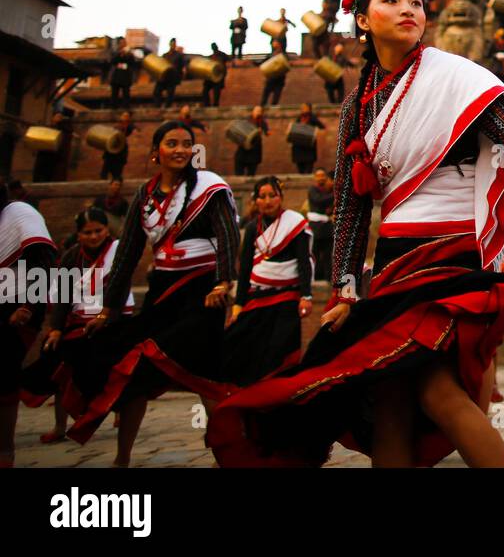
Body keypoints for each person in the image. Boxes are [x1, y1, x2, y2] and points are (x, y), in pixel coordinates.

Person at [209, 0, 504, 468]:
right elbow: (351, 204)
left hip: (454, 253)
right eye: (392, 0)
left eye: (415, 1)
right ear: (363, 20)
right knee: (389, 395)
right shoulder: (357, 104)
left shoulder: (457, 77)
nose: (408, 9)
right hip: (395, 259)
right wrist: (345, 287)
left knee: (437, 391)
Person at [67, 121, 239, 464]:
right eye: (172, 143)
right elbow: (128, 254)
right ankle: (123, 457)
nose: (180, 149)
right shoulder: (144, 196)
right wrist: (108, 309)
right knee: (133, 369)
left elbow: (227, 236)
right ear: (154, 152)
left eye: (186, 144)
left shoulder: (209, 187)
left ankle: (229, 453)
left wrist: (223, 282)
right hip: (164, 290)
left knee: (206, 374)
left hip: (203, 290)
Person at [20, 207, 134, 445]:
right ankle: (60, 425)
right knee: (56, 357)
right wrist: (57, 328)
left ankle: (119, 410)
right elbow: (63, 295)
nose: (93, 237)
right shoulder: (72, 257)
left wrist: (104, 318)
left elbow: (119, 288)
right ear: (79, 234)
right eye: (87, 232)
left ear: (107, 230)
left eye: (98, 231)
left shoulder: (118, 251)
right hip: (79, 322)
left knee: (105, 361)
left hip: (113, 318)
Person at [221, 177, 313, 387]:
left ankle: (277, 396)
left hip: (287, 297)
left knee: (278, 351)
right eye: (262, 196)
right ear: (255, 201)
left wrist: (306, 296)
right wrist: (238, 306)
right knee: (241, 345)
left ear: (280, 198)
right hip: (258, 296)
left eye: (272, 195)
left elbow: (303, 262)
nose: (268, 201)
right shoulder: (253, 227)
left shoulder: (294, 223)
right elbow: (245, 269)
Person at [1, 186, 56, 466]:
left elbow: (45, 262)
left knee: (4, 378)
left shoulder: (19, 213)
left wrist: (28, 307)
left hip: (18, 307)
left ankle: (5, 450)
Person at [305, 168, 334, 282]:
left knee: (327, 254)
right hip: (315, 226)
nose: (321, 178)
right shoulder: (313, 190)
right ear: (315, 178)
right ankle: (315, 276)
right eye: (319, 175)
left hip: (327, 226)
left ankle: (328, 277)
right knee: (315, 252)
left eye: (323, 175)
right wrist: (334, 195)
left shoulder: (328, 190)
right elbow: (318, 200)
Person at [286, 103, 325, 175]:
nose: (302, 109)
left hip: (308, 147)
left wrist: (314, 132)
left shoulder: (312, 118)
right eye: (302, 107)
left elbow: (322, 127)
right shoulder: (299, 118)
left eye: (304, 107)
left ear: (309, 108)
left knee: (308, 167)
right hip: (299, 146)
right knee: (300, 168)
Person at [234, 105, 269, 178]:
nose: (258, 113)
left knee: (252, 170)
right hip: (244, 147)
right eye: (256, 111)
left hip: (255, 148)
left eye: (260, 111)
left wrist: (264, 131)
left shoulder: (262, 122)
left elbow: (267, 132)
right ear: (253, 111)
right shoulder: (247, 120)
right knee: (239, 168)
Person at [107, 38, 138, 109]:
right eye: (122, 43)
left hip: (126, 77)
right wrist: (120, 54)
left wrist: (129, 55)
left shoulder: (129, 54)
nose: (123, 44)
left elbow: (133, 63)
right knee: (114, 93)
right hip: (116, 76)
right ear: (119, 44)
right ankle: (113, 108)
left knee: (126, 93)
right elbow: (112, 62)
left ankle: (126, 107)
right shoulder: (115, 53)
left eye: (124, 42)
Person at [153, 38, 184, 107]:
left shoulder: (179, 55)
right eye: (172, 44)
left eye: (174, 44)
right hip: (163, 76)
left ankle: (167, 106)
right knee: (157, 91)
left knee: (170, 94)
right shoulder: (165, 55)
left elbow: (182, 67)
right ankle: (157, 105)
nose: (173, 45)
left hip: (172, 77)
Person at [260, 43, 289, 107]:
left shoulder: (284, 55)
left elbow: (287, 66)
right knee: (265, 97)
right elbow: (263, 62)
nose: (274, 44)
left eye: (276, 43)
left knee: (275, 98)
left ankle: (273, 109)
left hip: (279, 80)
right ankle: (261, 108)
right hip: (270, 79)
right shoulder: (270, 55)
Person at [201, 43, 228, 107]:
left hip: (218, 78)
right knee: (205, 91)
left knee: (216, 94)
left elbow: (228, 63)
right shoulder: (210, 57)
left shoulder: (222, 55)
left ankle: (215, 106)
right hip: (210, 78)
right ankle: (207, 105)